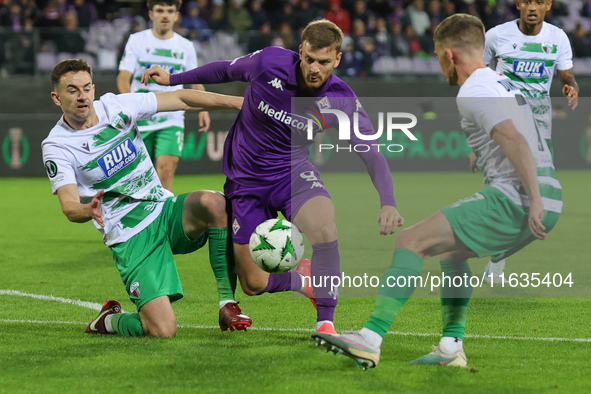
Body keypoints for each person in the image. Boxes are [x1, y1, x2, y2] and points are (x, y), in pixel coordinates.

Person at [312, 14, 562, 369]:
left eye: (436, 55)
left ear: (450, 55)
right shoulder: (500, 82)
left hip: (519, 199)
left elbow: (515, 138)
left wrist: (532, 198)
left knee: (410, 241)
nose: (438, 63)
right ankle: (450, 346)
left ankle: (369, 338)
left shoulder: (472, 89)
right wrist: (488, 153)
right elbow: (520, 129)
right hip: (551, 198)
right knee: (453, 255)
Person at [142, 19, 404, 335]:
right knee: (253, 284)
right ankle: (301, 279)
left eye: (324, 62)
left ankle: (326, 323)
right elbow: (226, 70)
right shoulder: (269, 63)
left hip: (292, 173)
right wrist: (174, 78)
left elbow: (371, 153)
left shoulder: (341, 100)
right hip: (245, 181)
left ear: (337, 60)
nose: (314, 69)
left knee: (325, 228)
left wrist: (388, 202)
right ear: (300, 52)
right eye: (309, 59)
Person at [42, 58, 247, 337]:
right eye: (72, 90)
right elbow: (68, 206)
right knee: (163, 330)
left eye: (87, 88)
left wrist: (240, 102)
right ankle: (109, 321)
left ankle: (227, 303)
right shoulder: (57, 145)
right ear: (57, 97)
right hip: (130, 235)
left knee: (215, 202)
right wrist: (87, 209)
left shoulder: (116, 106)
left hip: (162, 209)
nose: (82, 96)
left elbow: (181, 98)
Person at [480, 0, 578, 283]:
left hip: (539, 127)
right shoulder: (497, 35)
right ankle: (489, 260)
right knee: (511, 192)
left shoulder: (557, 37)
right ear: (518, 4)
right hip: (505, 122)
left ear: (548, 5)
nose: (532, 7)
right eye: (527, 1)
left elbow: (566, 74)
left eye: (539, 1)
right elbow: (477, 75)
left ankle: (496, 258)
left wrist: (570, 86)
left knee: (541, 200)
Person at [117, 0, 210, 192]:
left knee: (166, 171)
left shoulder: (185, 46)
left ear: (176, 15)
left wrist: (204, 108)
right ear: (151, 15)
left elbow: (195, 79)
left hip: (171, 117)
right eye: (160, 10)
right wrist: (129, 106)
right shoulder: (136, 40)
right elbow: (123, 77)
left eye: (170, 11)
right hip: (140, 118)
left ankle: (164, 219)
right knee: (138, 177)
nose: (165, 15)